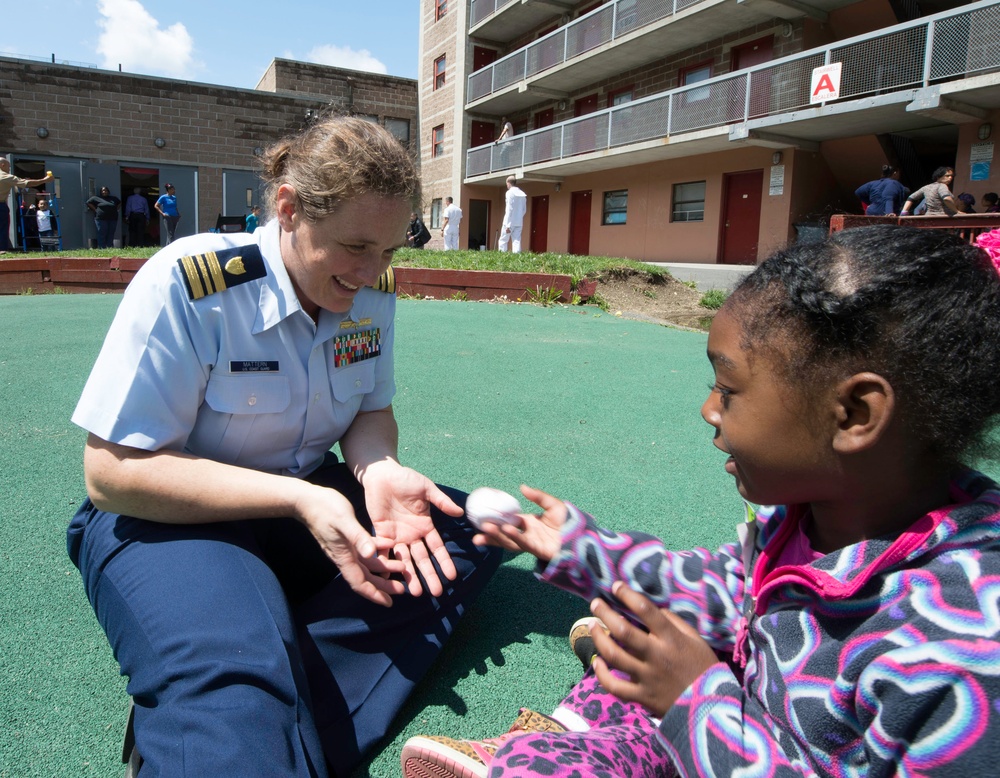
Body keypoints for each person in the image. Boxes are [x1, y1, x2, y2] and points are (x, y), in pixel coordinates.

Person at [401, 224, 1000, 778]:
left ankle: (551, 751)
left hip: (755, 745)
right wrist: (582, 549)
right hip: (739, 705)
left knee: (634, 680)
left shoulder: (956, 660)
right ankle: (567, 734)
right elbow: (724, 588)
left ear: (854, 414)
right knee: (641, 627)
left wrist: (697, 701)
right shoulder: (811, 517)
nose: (709, 410)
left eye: (729, 389)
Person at [66, 116, 502, 777]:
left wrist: (377, 465)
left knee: (462, 536)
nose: (371, 272)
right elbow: (109, 474)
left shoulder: (371, 287)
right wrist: (298, 499)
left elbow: (370, 410)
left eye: (389, 250)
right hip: (171, 519)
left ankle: (223, 717)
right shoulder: (190, 285)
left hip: (305, 503)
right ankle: (230, 689)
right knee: (238, 666)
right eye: (356, 246)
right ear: (289, 208)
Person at [0, 159, 53, 252]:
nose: (9, 169)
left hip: (30, 209)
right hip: (2, 205)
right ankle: (2, 249)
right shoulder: (5, 176)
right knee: (2, 227)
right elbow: (27, 183)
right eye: (8, 166)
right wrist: (45, 180)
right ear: (2, 165)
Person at [498, 176, 527, 253]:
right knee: (516, 240)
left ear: (508, 183)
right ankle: (516, 256)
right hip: (519, 222)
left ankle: (502, 255)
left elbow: (509, 209)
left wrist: (508, 224)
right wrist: (519, 217)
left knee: (503, 240)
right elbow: (524, 210)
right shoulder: (522, 194)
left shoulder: (509, 193)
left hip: (509, 222)